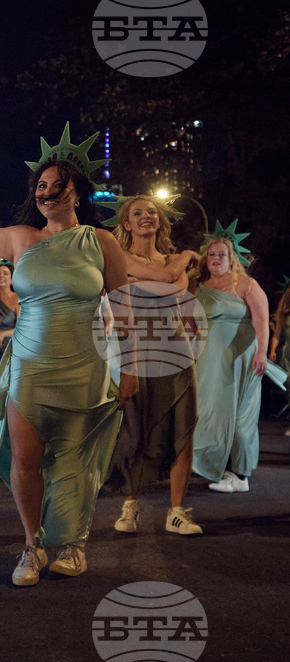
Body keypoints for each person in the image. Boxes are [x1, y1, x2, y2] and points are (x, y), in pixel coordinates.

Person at [0, 124, 189, 586]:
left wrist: (130, 366)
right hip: (30, 362)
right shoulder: (20, 238)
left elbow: (123, 307)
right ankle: (32, 545)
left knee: (74, 458)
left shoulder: (101, 241)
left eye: (58, 185)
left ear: (77, 192)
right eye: (41, 186)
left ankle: (71, 545)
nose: (48, 192)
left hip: (86, 365)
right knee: (25, 459)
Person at [104, 195, 202, 535]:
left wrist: (145, 284)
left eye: (152, 212)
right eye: (138, 212)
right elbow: (169, 281)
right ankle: (130, 505)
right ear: (126, 223)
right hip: (137, 352)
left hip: (177, 352)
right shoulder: (119, 258)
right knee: (135, 430)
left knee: (183, 428)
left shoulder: (171, 262)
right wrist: (188, 257)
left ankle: (177, 512)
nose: (147, 216)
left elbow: (175, 290)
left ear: (160, 220)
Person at [189, 234, 272, 493]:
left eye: (221, 254)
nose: (216, 259)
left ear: (231, 258)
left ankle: (240, 475)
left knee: (240, 415)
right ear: (205, 259)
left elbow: (261, 320)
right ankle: (216, 466)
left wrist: (262, 353)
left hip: (241, 359)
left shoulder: (246, 284)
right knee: (210, 411)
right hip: (208, 361)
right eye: (212, 254)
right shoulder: (198, 286)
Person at [268, 284, 290, 436]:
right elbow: (277, 335)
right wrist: (272, 351)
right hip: (288, 356)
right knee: (288, 389)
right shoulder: (285, 314)